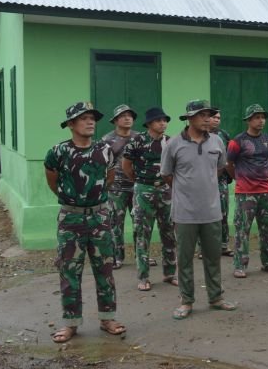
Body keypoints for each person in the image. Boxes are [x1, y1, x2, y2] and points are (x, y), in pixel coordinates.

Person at [44, 102, 125, 343]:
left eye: (92, 118)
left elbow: (109, 178)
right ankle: (71, 323)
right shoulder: (58, 151)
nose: (90, 122)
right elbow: (52, 180)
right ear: (71, 124)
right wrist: (72, 200)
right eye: (83, 118)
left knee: (105, 269)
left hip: (100, 216)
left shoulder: (105, 150)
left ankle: (107, 318)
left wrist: (94, 200)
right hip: (71, 218)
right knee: (69, 271)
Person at [160, 99, 237, 320]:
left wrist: (206, 189)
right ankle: (186, 301)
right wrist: (185, 192)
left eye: (209, 114)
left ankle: (216, 297)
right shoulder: (174, 144)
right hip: (185, 213)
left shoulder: (216, 141)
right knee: (184, 259)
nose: (207, 119)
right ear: (190, 118)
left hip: (212, 211)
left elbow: (221, 168)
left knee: (213, 257)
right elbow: (167, 174)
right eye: (202, 115)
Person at [122, 107, 177, 291]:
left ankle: (170, 273)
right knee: (142, 234)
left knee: (169, 232)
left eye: (164, 120)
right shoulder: (136, 142)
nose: (163, 123)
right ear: (149, 124)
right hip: (144, 190)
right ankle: (143, 276)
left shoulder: (170, 142)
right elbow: (126, 166)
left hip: (166, 190)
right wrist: (140, 182)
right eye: (158, 120)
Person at [226, 104, 268, 278]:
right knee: (242, 229)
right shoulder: (237, 141)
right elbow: (228, 164)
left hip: (266, 191)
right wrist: (240, 179)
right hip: (245, 193)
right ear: (249, 120)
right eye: (257, 117)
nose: (261, 120)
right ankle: (240, 266)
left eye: (263, 117)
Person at [102, 104, 140, 269]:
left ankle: (142, 256)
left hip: (137, 186)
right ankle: (117, 257)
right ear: (116, 120)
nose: (127, 118)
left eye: (130, 116)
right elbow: (103, 164)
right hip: (116, 188)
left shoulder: (140, 137)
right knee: (115, 223)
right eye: (123, 116)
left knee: (139, 222)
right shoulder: (107, 140)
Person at [210, 111, 234, 257]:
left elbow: (230, 157)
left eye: (219, 117)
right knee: (205, 214)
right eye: (214, 117)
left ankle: (224, 245)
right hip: (204, 181)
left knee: (223, 212)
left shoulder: (224, 135)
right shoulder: (199, 135)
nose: (216, 120)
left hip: (221, 180)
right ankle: (204, 248)